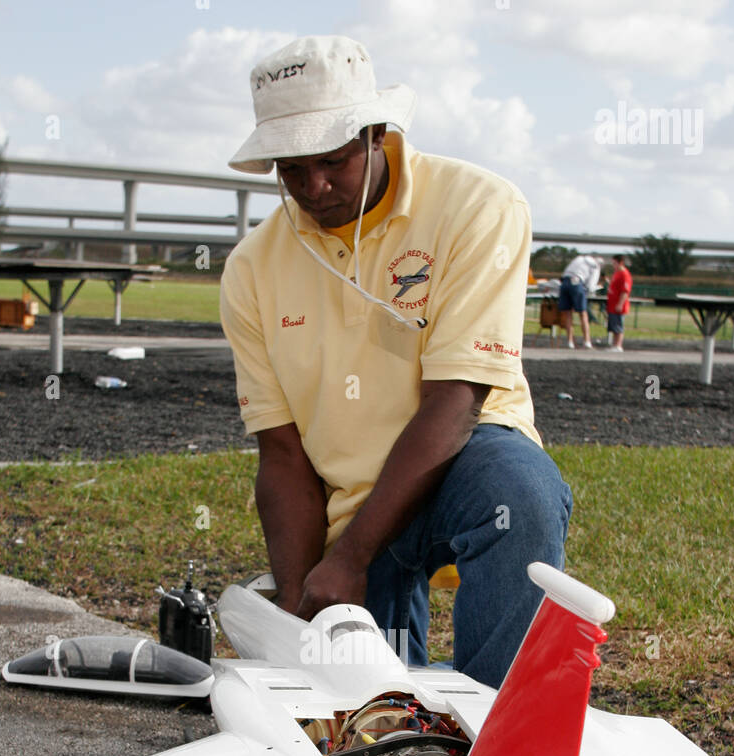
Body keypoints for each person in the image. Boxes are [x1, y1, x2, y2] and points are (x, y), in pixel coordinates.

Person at [220, 34, 573, 689]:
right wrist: (305, 606)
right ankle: (399, 730)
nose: (314, 187)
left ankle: (494, 729)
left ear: (375, 133)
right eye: (291, 171)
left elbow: (457, 398)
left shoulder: (476, 207)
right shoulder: (251, 268)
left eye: (331, 162)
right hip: (350, 502)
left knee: (518, 497)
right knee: (364, 702)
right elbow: (283, 453)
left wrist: (350, 557)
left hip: (462, 460)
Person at [557, 253, 602, 348]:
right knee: (583, 313)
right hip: (577, 283)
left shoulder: (579, 258)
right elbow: (591, 285)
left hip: (564, 283)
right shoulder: (595, 266)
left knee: (568, 313)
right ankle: (587, 341)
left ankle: (570, 342)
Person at [605, 253, 633, 351]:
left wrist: (620, 304)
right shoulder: (616, 273)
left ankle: (618, 345)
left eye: (615, 263)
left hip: (618, 304)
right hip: (612, 304)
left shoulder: (625, 274)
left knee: (618, 325)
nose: (614, 265)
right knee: (613, 325)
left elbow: (625, 291)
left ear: (621, 263)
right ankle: (614, 345)